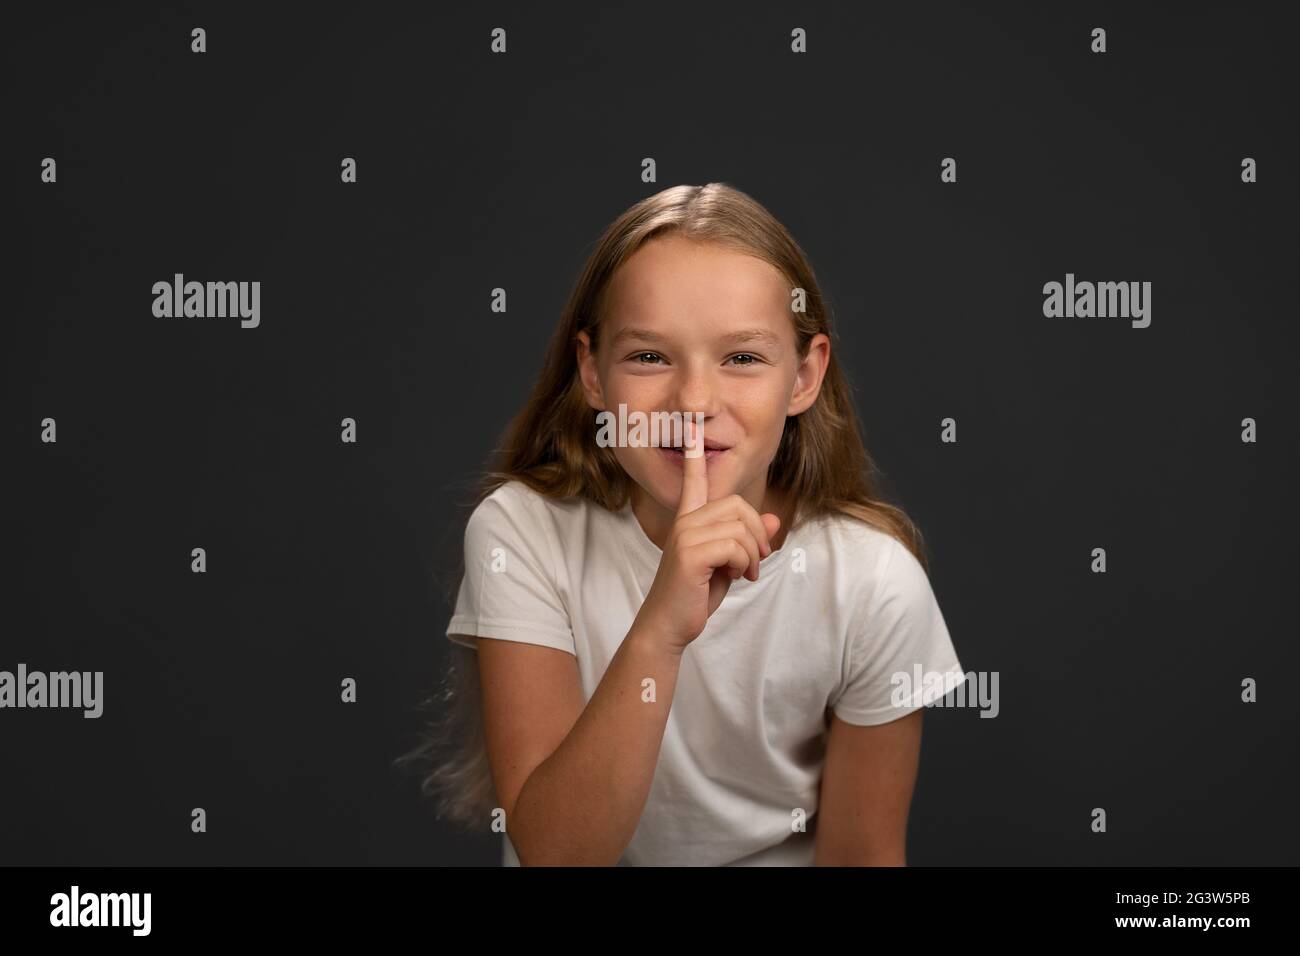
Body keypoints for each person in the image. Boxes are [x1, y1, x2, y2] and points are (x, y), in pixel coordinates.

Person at [412, 182, 965, 865]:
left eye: (742, 358)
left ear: (804, 376)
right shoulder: (523, 534)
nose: (693, 403)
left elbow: (862, 855)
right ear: (591, 372)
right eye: (649, 356)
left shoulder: (874, 581)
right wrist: (660, 630)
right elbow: (555, 852)